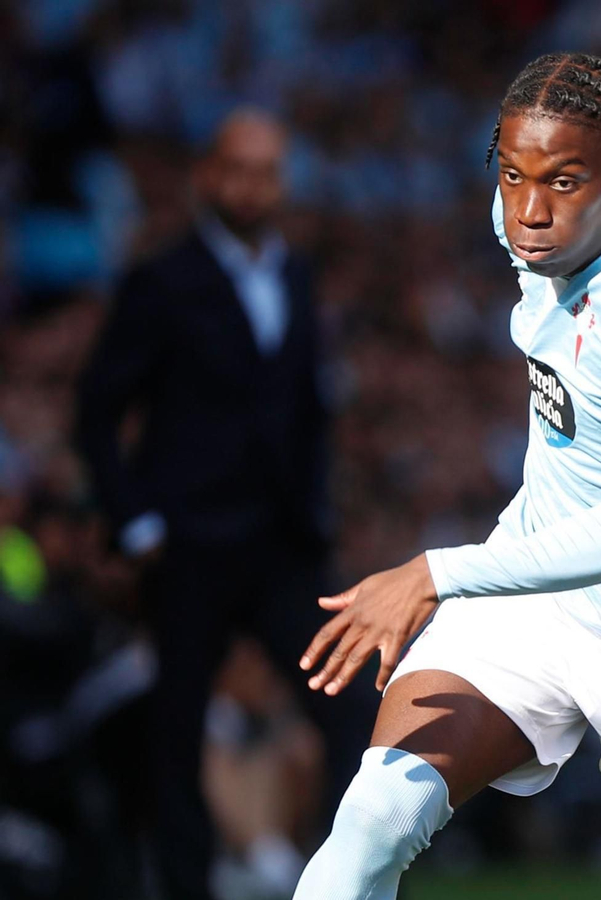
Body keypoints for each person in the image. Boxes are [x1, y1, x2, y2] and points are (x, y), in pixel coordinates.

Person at [291, 53, 601, 900]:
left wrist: (435, 573)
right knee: (372, 827)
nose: (529, 213)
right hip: (538, 591)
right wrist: (590, 182)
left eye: (564, 181)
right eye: (512, 175)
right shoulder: (541, 215)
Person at [74, 108, 374, 900]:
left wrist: (318, 509)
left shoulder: (295, 274)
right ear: (207, 174)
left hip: (283, 544)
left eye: (266, 171)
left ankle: (355, 880)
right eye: (237, 168)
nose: (251, 187)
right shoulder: (163, 280)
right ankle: (186, 887)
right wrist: (136, 521)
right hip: (189, 546)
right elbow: (97, 411)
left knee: (348, 709)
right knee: (177, 732)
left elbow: (305, 408)